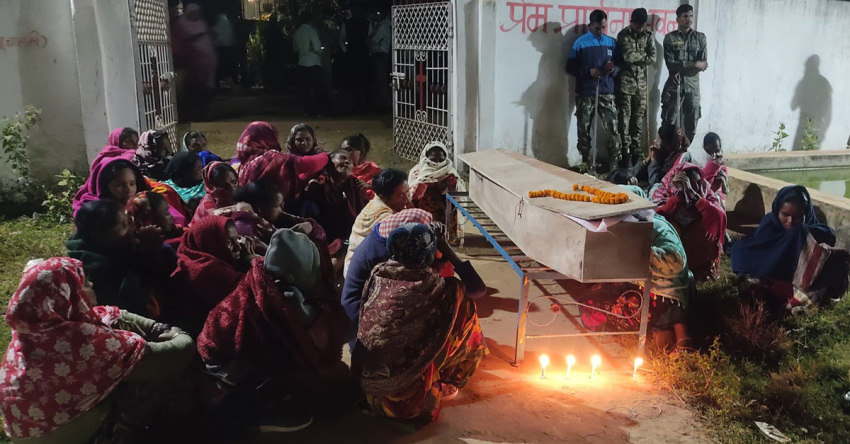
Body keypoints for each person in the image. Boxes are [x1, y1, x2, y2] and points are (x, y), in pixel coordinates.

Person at [0, 258, 195, 443]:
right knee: (145, 378)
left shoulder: (30, 331)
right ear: (67, 296)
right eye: (83, 284)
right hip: (68, 436)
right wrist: (180, 335)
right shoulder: (81, 342)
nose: (91, 286)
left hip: (28, 434)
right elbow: (174, 356)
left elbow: (110, 315)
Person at [197, 229, 348, 432]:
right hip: (225, 369)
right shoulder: (286, 302)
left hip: (221, 354)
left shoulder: (264, 279)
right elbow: (250, 350)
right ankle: (259, 414)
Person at [352, 223, 487, 422]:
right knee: (465, 308)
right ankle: (447, 379)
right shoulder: (433, 285)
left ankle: (420, 379)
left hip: (369, 388)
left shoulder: (379, 273)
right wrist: (447, 249)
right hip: (409, 401)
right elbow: (478, 289)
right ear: (431, 255)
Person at [732, 186, 850, 315]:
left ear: (807, 214)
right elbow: (752, 252)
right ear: (777, 211)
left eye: (799, 217)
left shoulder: (813, 232)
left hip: (800, 283)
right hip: (774, 277)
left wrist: (801, 234)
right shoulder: (769, 225)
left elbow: (828, 241)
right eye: (785, 214)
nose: (791, 221)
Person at [68, 200, 175, 318]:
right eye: (123, 225)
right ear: (103, 236)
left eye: (129, 219)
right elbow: (129, 309)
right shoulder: (96, 268)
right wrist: (147, 254)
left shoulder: (113, 246)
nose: (132, 225)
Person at [174, 216, 259, 331]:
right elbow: (255, 288)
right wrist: (252, 258)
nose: (237, 246)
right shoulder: (207, 270)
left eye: (237, 239)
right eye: (229, 242)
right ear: (212, 242)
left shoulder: (198, 257)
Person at [566, 9, 621, 171]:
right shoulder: (580, 43)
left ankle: (614, 166)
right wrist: (589, 71)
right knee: (583, 130)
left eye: (603, 28)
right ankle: (586, 163)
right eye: (597, 28)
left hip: (606, 91)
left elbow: (619, 64)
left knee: (613, 129)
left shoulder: (611, 42)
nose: (600, 31)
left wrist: (613, 70)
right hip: (586, 93)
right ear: (590, 25)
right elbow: (570, 67)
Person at [652, 161, 726, 281]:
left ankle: (701, 268)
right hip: (674, 252)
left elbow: (719, 216)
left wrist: (693, 194)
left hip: (697, 249)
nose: (694, 186)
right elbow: (658, 218)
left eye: (697, 182)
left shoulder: (705, 191)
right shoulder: (662, 192)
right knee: (670, 226)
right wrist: (679, 196)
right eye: (689, 183)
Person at [235, 122, 329, 208]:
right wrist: (325, 155)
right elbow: (307, 164)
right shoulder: (270, 157)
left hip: (251, 209)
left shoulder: (245, 163)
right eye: (272, 136)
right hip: (267, 209)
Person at [301, 150, 370, 261]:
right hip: (323, 236)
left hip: (349, 236)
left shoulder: (355, 186)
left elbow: (365, 213)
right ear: (330, 163)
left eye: (350, 161)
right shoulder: (318, 185)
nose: (347, 162)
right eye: (342, 158)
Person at [343, 168, 413, 276]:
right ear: (384, 197)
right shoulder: (385, 218)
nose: (407, 199)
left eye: (407, 192)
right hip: (362, 274)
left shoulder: (378, 203)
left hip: (357, 266)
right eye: (400, 196)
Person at [661, 4, 708, 142]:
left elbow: (703, 64)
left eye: (691, 16)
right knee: (669, 122)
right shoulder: (670, 38)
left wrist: (683, 67)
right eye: (685, 16)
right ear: (678, 19)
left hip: (692, 88)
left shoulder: (700, 38)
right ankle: (667, 155)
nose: (689, 19)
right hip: (675, 86)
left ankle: (687, 154)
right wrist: (693, 64)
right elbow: (671, 64)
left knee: (692, 123)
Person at [615, 8, 656, 166]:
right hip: (626, 84)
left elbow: (652, 58)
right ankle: (625, 154)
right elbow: (628, 56)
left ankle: (635, 152)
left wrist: (641, 58)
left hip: (641, 86)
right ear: (631, 21)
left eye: (642, 25)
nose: (639, 28)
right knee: (624, 121)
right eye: (637, 24)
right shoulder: (623, 35)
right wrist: (643, 57)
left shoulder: (648, 36)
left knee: (637, 121)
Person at [409, 142, 466, 243]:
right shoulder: (417, 172)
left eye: (441, 160)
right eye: (433, 160)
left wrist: (451, 182)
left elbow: (458, 196)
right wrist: (425, 182)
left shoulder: (449, 170)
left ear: (445, 159)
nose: (437, 163)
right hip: (425, 209)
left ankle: (448, 233)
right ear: (425, 157)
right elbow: (413, 197)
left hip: (446, 208)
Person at [172, 3, 217, 121]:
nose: (195, 15)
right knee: (189, 89)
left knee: (205, 86)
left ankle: (203, 113)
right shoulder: (181, 24)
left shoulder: (201, 24)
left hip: (204, 61)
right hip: (188, 62)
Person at [72, 158, 150, 218]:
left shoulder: (143, 203)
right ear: (104, 186)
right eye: (119, 185)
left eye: (132, 184)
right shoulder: (92, 214)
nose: (128, 190)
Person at [677, 132, 728, 207]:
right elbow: (700, 190)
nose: (713, 155)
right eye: (709, 151)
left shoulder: (719, 165)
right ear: (700, 148)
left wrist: (715, 166)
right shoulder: (686, 160)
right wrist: (712, 167)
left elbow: (713, 192)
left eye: (716, 151)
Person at [293, 14, 327, 117]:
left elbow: (295, 49)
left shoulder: (297, 32)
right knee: (316, 87)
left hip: (302, 62)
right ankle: (318, 110)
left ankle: (308, 110)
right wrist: (321, 51)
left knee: (305, 89)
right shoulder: (312, 31)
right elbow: (317, 47)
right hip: (313, 61)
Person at [341, 133, 381, 198]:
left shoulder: (374, 170)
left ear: (361, 153)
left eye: (349, 150)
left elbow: (387, 189)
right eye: (342, 151)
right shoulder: (340, 170)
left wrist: (369, 186)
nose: (344, 154)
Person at [368, 10, 392, 111]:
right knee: (380, 79)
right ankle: (384, 102)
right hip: (379, 53)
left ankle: (385, 103)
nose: (376, 15)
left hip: (380, 54)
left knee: (381, 79)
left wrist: (368, 41)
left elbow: (374, 40)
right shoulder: (379, 24)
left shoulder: (384, 26)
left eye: (378, 13)